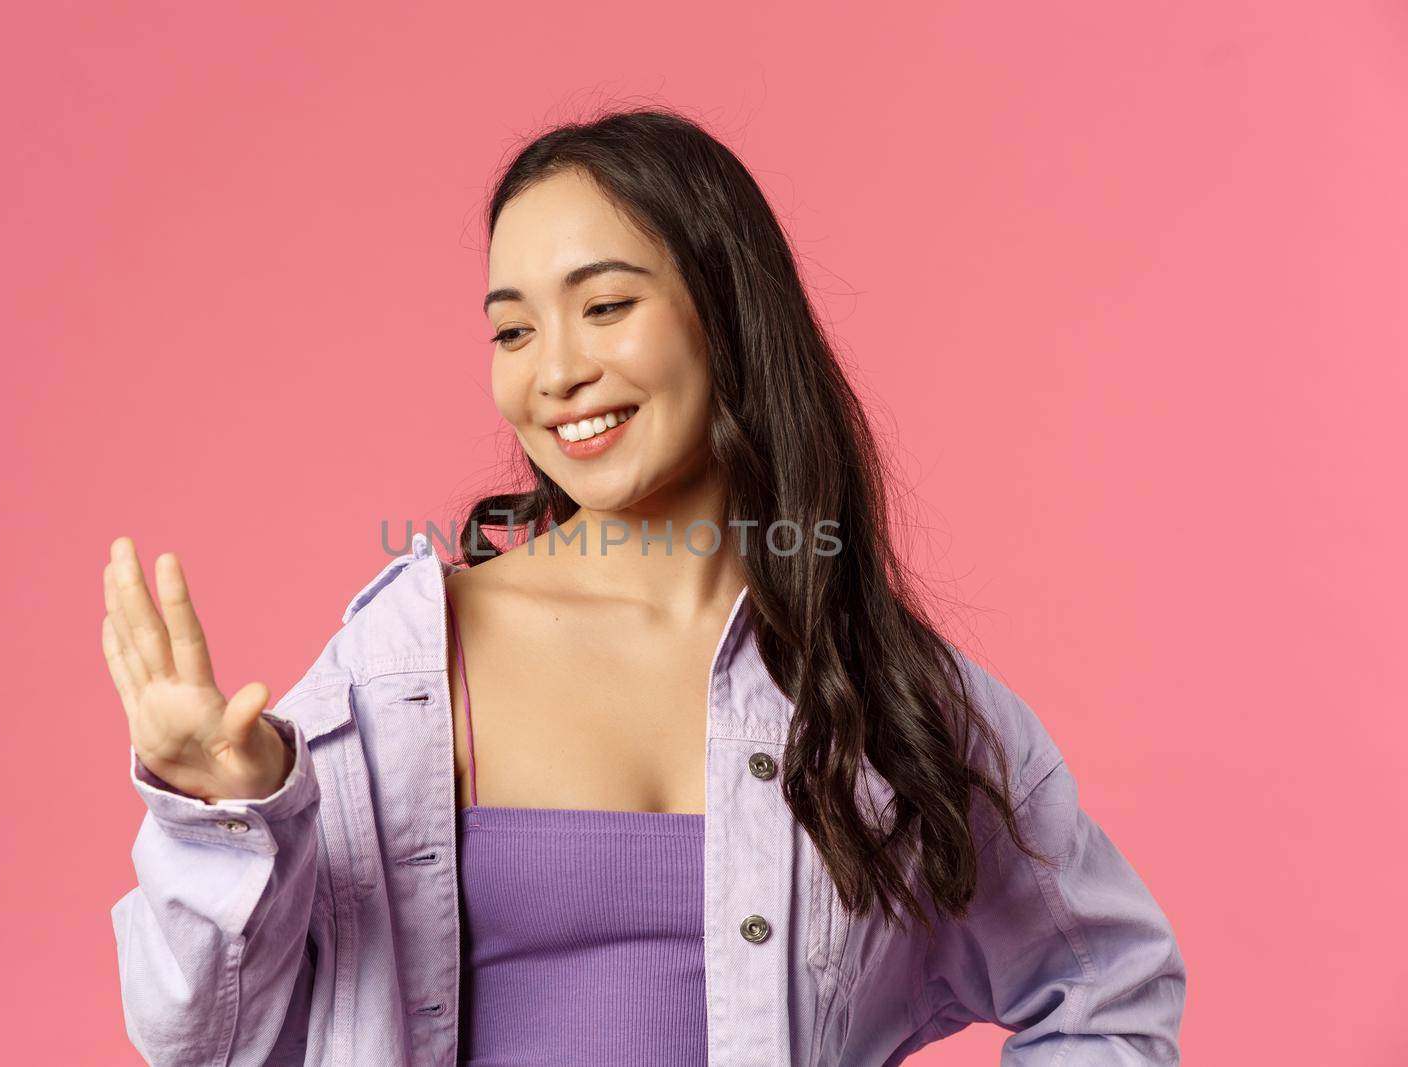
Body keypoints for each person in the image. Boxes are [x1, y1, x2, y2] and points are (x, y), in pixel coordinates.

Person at [104, 108, 1186, 1066]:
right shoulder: (406, 665)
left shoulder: (879, 689)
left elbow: (1107, 988)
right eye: (513, 329)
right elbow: (197, 1038)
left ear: (725, 311)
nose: (554, 369)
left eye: (605, 305)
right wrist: (221, 816)